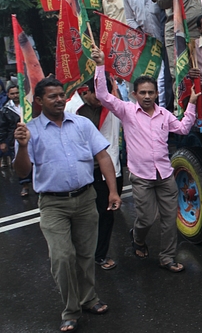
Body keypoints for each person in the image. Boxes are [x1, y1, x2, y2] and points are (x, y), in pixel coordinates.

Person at [13, 77, 121, 332]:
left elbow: (102, 156)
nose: (60, 99)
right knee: (62, 257)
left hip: (85, 199)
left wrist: (113, 191)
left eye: (61, 95)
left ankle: (89, 299)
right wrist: (22, 146)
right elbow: (22, 171)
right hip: (53, 204)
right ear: (39, 101)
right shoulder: (30, 130)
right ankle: (70, 309)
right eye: (53, 96)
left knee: (86, 255)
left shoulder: (82, 124)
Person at [92, 47, 199, 272]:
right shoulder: (126, 111)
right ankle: (138, 238)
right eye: (143, 93)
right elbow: (102, 95)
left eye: (151, 92)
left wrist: (191, 104)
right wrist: (100, 65)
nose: (148, 96)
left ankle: (167, 257)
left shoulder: (164, 115)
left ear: (156, 94)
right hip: (141, 177)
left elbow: (182, 128)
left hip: (165, 175)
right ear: (135, 94)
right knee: (146, 219)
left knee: (170, 220)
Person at [76, 75, 124, 271]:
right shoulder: (72, 109)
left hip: (109, 168)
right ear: (86, 91)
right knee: (85, 216)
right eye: (97, 94)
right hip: (84, 171)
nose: (101, 99)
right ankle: (81, 252)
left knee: (106, 213)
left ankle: (100, 254)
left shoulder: (112, 104)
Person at [122, 0, 170, 107]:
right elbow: (129, 18)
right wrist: (140, 34)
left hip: (164, 37)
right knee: (152, 78)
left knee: (164, 79)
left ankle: (163, 112)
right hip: (145, 42)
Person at [0, 85, 32, 196]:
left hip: (32, 137)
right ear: (8, 95)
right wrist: (3, 142)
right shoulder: (6, 110)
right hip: (15, 140)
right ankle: (25, 185)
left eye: (17, 93)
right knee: (19, 162)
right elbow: (3, 127)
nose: (15, 95)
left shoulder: (29, 104)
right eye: (12, 93)